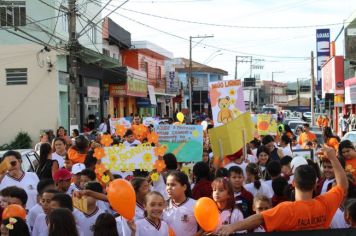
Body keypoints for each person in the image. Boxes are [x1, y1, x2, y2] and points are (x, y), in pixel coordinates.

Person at [217, 146, 348, 234]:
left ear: (293, 183)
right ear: (315, 184)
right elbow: (343, 185)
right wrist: (332, 157)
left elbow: (259, 218)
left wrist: (231, 227)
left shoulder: (287, 210)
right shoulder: (325, 204)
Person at [163, 171, 197, 236]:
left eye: (173, 185)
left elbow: (203, 228)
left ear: (184, 187)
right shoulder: (163, 206)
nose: (169, 188)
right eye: (167, 184)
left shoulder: (195, 205)